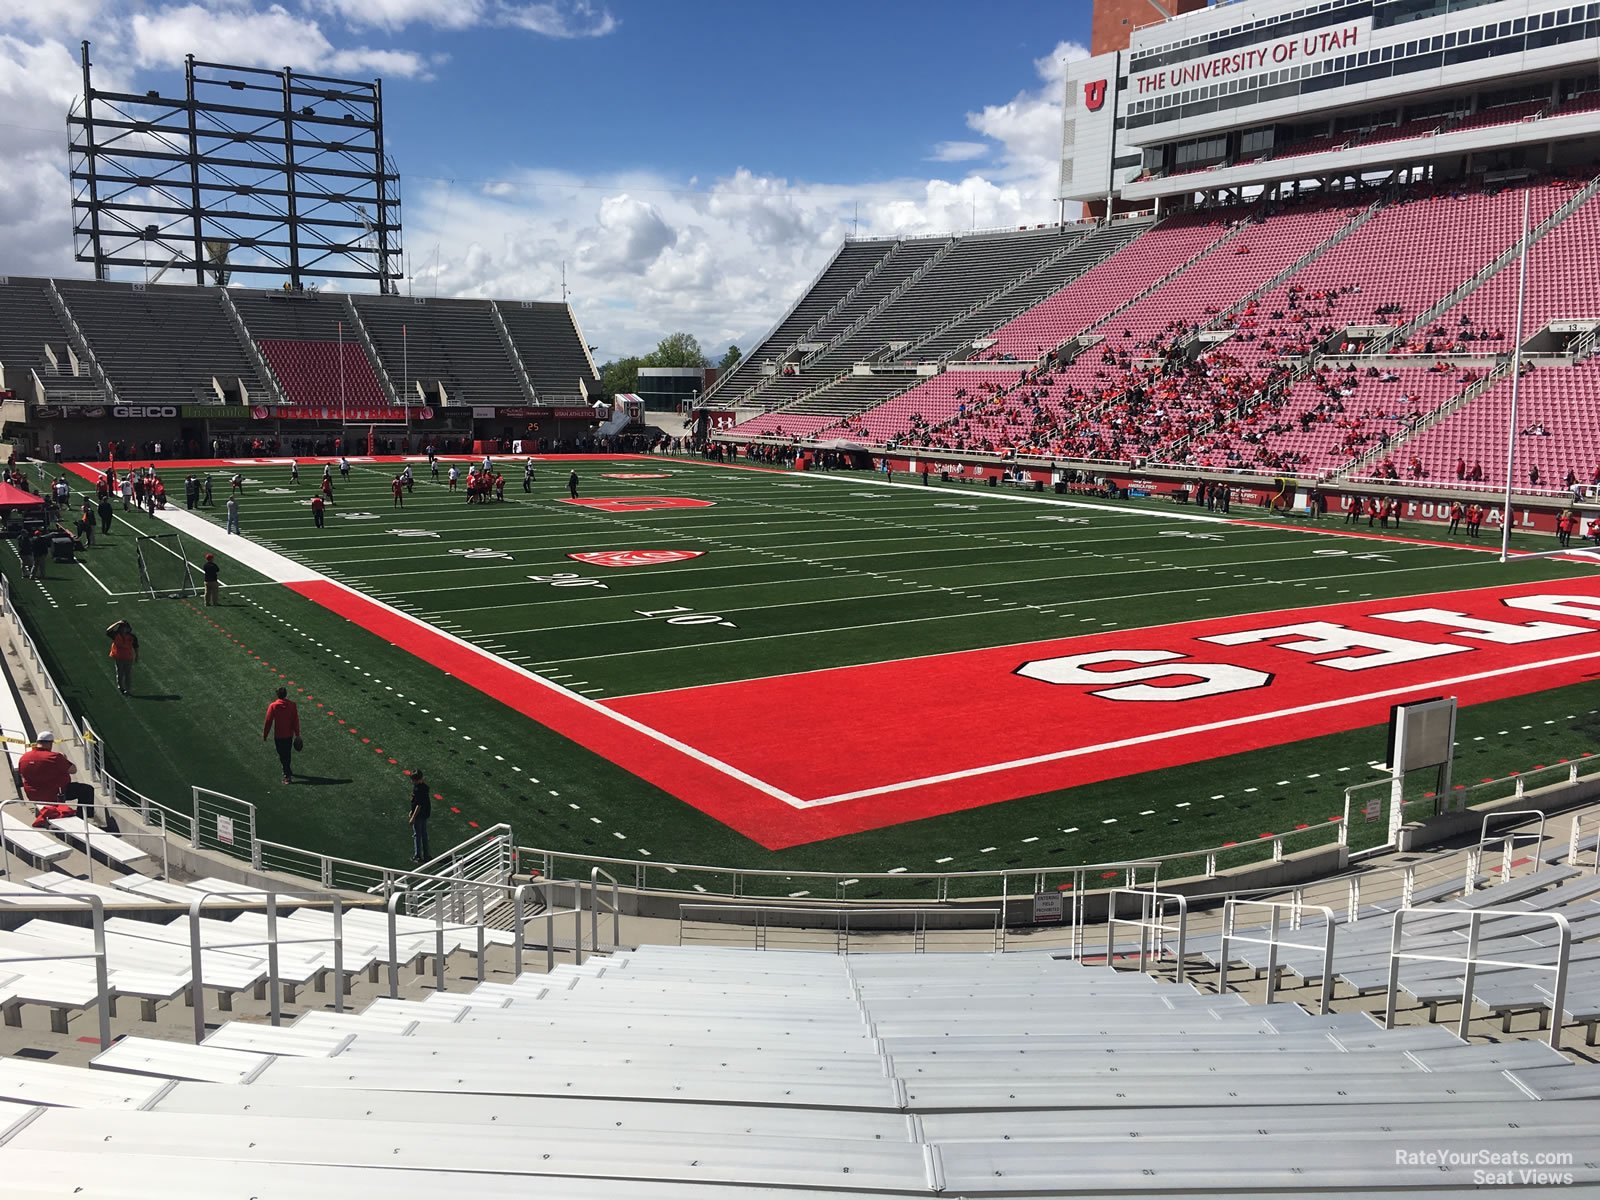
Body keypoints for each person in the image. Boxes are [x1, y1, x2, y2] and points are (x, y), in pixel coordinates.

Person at [18, 731, 79, 814]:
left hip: (32, 795)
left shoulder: (24, 757)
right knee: (86, 790)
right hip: (55, 794)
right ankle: (82, 816)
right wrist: (64, 758)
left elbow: (22, 774)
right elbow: (73, 770)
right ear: (50, 744)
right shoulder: (54, 757)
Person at [262, 686, 302, 784]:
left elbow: (268, 721)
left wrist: (265, 734)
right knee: (287, 754)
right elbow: (295, 720)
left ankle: (286, 775)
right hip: (289, 735)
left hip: (279, 736)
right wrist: (297, 734)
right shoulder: (292, 705)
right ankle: (287, 770)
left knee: (282, 755)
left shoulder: (273, 706)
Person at [106, 619, 138, 694]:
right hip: (119, 657)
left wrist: (137, 655)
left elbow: (136, 646)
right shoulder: (116, 635)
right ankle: (121, 687)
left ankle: (128, 689)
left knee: (128, 674)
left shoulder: (132, 637)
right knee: (120, 674)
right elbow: (108, 630)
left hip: (128, 657)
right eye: (122, 627)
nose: (124, 629)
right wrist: (117, 623)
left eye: (125, 627)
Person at [407, 768, 431, 862]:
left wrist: (413, 816)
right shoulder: (424, 787)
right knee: (424, 833)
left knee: (417, 834)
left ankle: (418, 855)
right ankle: (426, 854)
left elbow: (418, 804)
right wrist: (411, 810)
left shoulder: (418, 789)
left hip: (419, 815)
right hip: (425, 813)